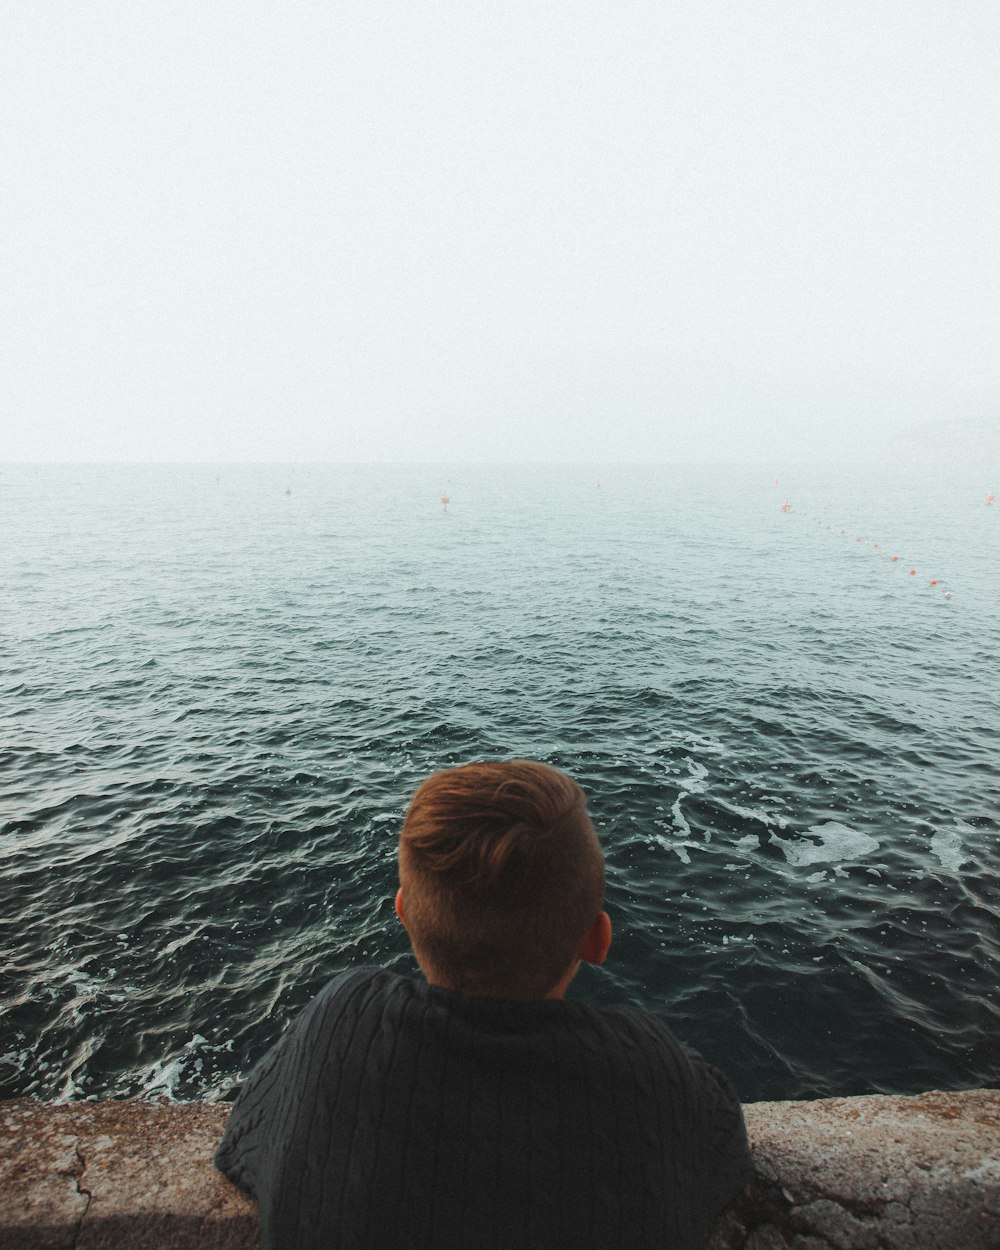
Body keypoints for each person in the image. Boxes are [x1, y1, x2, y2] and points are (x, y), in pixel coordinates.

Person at [215, 760, 752, 1249]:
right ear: (598, 939)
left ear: (404, 914)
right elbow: (723, 1147)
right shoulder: (648, 1069)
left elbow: (248, 1135)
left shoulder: (344, 1018)